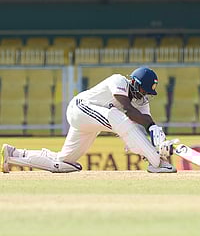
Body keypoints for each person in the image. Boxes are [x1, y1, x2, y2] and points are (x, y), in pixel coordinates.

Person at [1, 67, 176, 173]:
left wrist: (157, 137)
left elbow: (146, 121)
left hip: (90, 123)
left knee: (64, 163)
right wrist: (152, 151)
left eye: (147, 93)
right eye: (144, 91)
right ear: (135, 83)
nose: (144, 95)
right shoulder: (119, 81)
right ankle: (157, 163)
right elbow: (128, 112)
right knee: (118, 116)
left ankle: (14, 154)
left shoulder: (142, 102)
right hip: (79, 109)